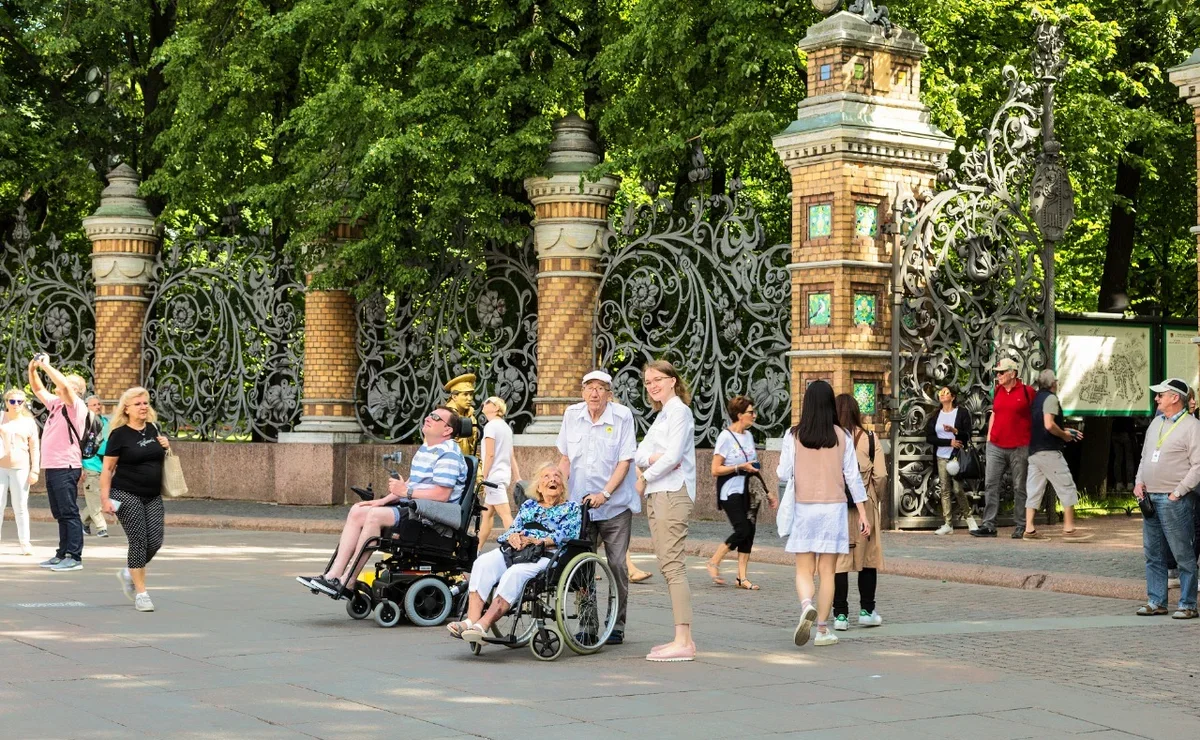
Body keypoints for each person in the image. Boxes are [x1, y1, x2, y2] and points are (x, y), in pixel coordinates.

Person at [299, 406, 468, 597]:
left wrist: (405, 491)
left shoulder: (449, 453)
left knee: (374, 516)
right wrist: (382, 501)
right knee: (358, 510)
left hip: (431, 519)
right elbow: (412, 484)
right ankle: (333, 576)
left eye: (436, 417)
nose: (429, 418)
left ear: (447, 430)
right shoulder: (427, 448)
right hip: (415, 508)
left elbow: (442, 494)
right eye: (430, 414)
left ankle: (348, 581)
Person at [776, 380, 871, 648]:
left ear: (806, 403)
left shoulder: (793, 435)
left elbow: (782, 472)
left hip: (804, 508)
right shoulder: (842, 436)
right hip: (834, 510)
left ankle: (807, 605)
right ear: (830, 403)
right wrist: (863, 514)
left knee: (804, 569)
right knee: (827, 572)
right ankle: (821, 630)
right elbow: (853, 478)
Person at [450, 464, 581, 642]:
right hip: (517, 550)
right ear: (538, 486)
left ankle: (483, 625)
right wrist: (513, 536)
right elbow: (513, 529)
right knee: (483, 562)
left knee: (515, 573)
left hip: (547, 554)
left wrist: (539, 541)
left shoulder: (571, 508)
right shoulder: (529, 505)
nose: (552, 479)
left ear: (563, 486)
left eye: (557, 476)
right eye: (546, 476)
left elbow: (569, 534)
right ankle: (471, 621)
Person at [555, 369, 640, 645]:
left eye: (601, 388)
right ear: (582, 392)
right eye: (589, 387)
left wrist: (605, 493)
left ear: (609, 394)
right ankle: (587, 624)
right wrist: (557, 489)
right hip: (580, 505)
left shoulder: (622, 416)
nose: (594, 393)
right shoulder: (571, 415)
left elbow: (625, 462)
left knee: (616, 565)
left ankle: (616, 623)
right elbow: (565, 458)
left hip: (615, 505)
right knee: (581, 566)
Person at [634, 360, 697, 662]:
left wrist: (645, 476)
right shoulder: (662, 415)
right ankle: (682, 638)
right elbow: (640, 453)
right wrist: (653, 458)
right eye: (648, 382)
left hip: (673, 491)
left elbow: (673, 457)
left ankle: (683, 641)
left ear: (673, 380)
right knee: (667, 563)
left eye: (657, 379)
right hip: (660, 492)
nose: (652, 386)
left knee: (673, 565)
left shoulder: (679, 412)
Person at [1134, 378, 1200, 619]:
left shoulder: (1192, 426)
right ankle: (1156, 601)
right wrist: (1139, 481)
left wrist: (1178, 492)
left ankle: (1188, 604)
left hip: (1175, 500)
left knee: (1183, 554)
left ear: (1175, 398)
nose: (1156, 398)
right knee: (1153, 554)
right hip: (1150, 497)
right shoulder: (1156, 423)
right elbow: (1145, 456)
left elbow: (1198, 465)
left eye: (1160, 395)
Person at [100, 387, 171, 612]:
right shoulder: (119, 434)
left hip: (152, 495)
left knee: (155, 541)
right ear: (127, 409)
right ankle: (142, 593)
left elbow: (159, 457)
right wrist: (105, 499)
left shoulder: (153, 428)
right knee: (138, 540)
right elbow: (107, 469)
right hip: (125, 493)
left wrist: (167, 446)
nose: (143, 407)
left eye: (145, 403)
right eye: (138, 404)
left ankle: (128, 571)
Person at [707, 395, 776, 590]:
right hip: (730, 490)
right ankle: (714, 561)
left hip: (749, 490)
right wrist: (739, 467)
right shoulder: (725, 437)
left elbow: (753, 467)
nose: (754, 415)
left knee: (750, 532)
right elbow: (715, 470)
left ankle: (741, 577)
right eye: (750, 412)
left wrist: (767, 491)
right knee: (742, 529)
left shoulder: (749, 437)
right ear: (739, 415)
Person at [28, 356, 88, 571]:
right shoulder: (56, 404)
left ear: (76, 390)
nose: (58, 384)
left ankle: (74, 556)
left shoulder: (75, 405)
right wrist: (32, 369)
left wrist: (46, 365)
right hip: (53, 466)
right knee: (60, 513)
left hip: (66, 466)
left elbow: (63, 385)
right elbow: (37, 389)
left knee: (69, 511)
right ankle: (62, 553)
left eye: (67, 383)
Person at [832, 393, 887, 630]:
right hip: (866, 505)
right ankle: (867, 610)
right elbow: (881, 476)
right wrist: (876, 499)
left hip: (838, 507)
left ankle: (840, 615)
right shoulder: (870, 439)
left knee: (839, 562)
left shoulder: (830, 440)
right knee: (868, 560)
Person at [1021, 369, 1092, 541]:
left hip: (1034, 451)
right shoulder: (1051, 398)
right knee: (1066, 486)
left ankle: (1029, 529)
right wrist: (1064, 435)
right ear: (1053, 383)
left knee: (1034, 490)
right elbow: (1048, 424)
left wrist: (1063, 429)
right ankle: (1069, 529)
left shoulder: (1036, 399)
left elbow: (1041, 424)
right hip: (1049, 451)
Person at [973, 358, 1035, 538]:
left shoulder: (1027, 392)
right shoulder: (998, 390)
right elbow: (995, 413)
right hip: (996, 445)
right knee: (991, 485)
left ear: (1013, 373)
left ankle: (1021, 525)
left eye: (1001, 372)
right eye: (997, 372)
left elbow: (1037, 415)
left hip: (1020, 446)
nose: (998, 375)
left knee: (1019, 487)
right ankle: (989, 525)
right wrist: (989, 437)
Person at [925, 385, 976, 534]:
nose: (942, 395)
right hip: (941, 456)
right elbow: (930, 437)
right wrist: (949, 442)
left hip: (956, 456)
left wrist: (955, 431)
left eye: (946, 393)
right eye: (941, 392)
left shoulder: (961, 413)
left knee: (958, 489)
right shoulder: (935, 415)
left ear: (953, 397)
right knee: (945, 490)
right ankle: (948, 524)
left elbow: (967, 435)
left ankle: (969, 518)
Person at [477, 396, 521, 552]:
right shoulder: (506, 427)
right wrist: (517, 477)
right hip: (501, 476)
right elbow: (511, 455)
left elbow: (490, 454)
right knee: (487, 515)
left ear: (496, 408)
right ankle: (477, 549)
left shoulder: (491, 426)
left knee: (505, 515)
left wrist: (483, 477)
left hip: (493, 478)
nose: (484, 403)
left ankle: (520, 547)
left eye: (488, 402)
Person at [0, 388, 40, 555]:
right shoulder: (1, 417)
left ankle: (25, 543)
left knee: (21, 506)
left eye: (19, 401)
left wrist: (35, 469)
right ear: (6, 402)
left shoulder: (29, 422)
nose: (16, 404)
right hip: (1, 467)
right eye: (12, 401)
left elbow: (35, 447)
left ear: (24, 403)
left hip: (21, 467)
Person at [80, 395, 110, 538]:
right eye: (94, 405)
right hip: (90, 464)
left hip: (106, 466)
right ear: (86, 407)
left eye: (99, 404)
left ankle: (82, 522)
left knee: (98, 499)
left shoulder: (106, 422)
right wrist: (80, 467)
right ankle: (101, 527)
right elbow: (78, 446)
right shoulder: (82, 423)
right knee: (94, 497)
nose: (98, 407)